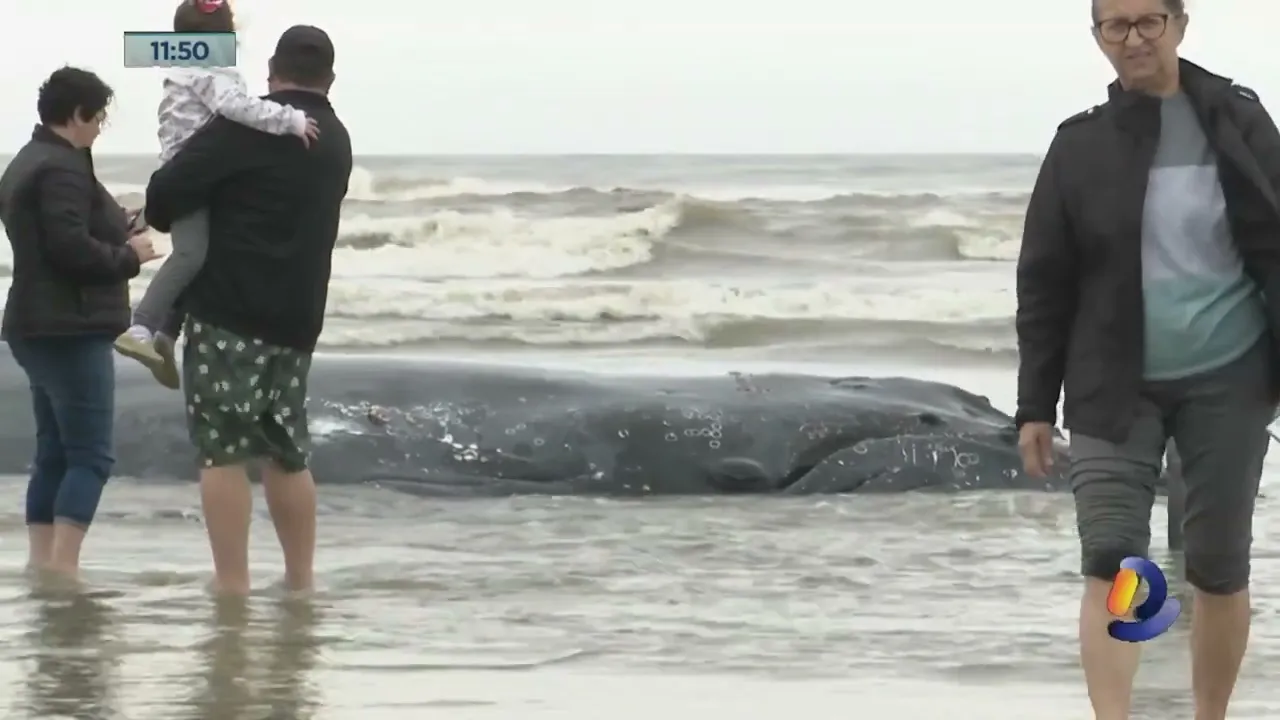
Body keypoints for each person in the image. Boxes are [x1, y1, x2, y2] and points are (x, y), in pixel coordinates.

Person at [1015, 0, 1280, 717]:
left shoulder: (1239, 121)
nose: (1133, 38)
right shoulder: (1079, 146)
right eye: (1116, 25)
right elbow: (1044, 282)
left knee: (1217, 568)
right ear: (1098, 37)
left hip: (1230, 376)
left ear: (1179, 25)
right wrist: (1035, 405)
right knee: (1115, 557)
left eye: (1148, 22)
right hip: (1113, 383)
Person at [144, 25, 352, 596]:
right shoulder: (335, 138)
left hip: (229, 313)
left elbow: (165, 197)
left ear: (270, 72)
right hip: (299, 318)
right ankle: (300, 583)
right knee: (287, 450)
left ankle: (232, 585)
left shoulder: (243, 128)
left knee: (222, 451)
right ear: (330, 80)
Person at [0, 67, 163, 578]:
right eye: (97, 119)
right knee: (91, 457)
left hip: (35, 325)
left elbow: (58, 233)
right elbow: (69, 248)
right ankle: (65, 572)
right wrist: (130, 257)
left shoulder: (30, 160)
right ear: (77, 115)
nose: (98, 129)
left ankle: (41, 566)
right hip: (70, 327)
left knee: (54, 450)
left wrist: (122, 224)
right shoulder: (64, 168)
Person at [114, 0, 319, 390]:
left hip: (191, 173)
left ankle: (165, 335)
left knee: (203, 255)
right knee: (190, 254)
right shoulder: (210, 71)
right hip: (190, 177)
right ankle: (140, 327)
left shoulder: (186, 70)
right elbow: (236, 107)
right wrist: (288, 119)